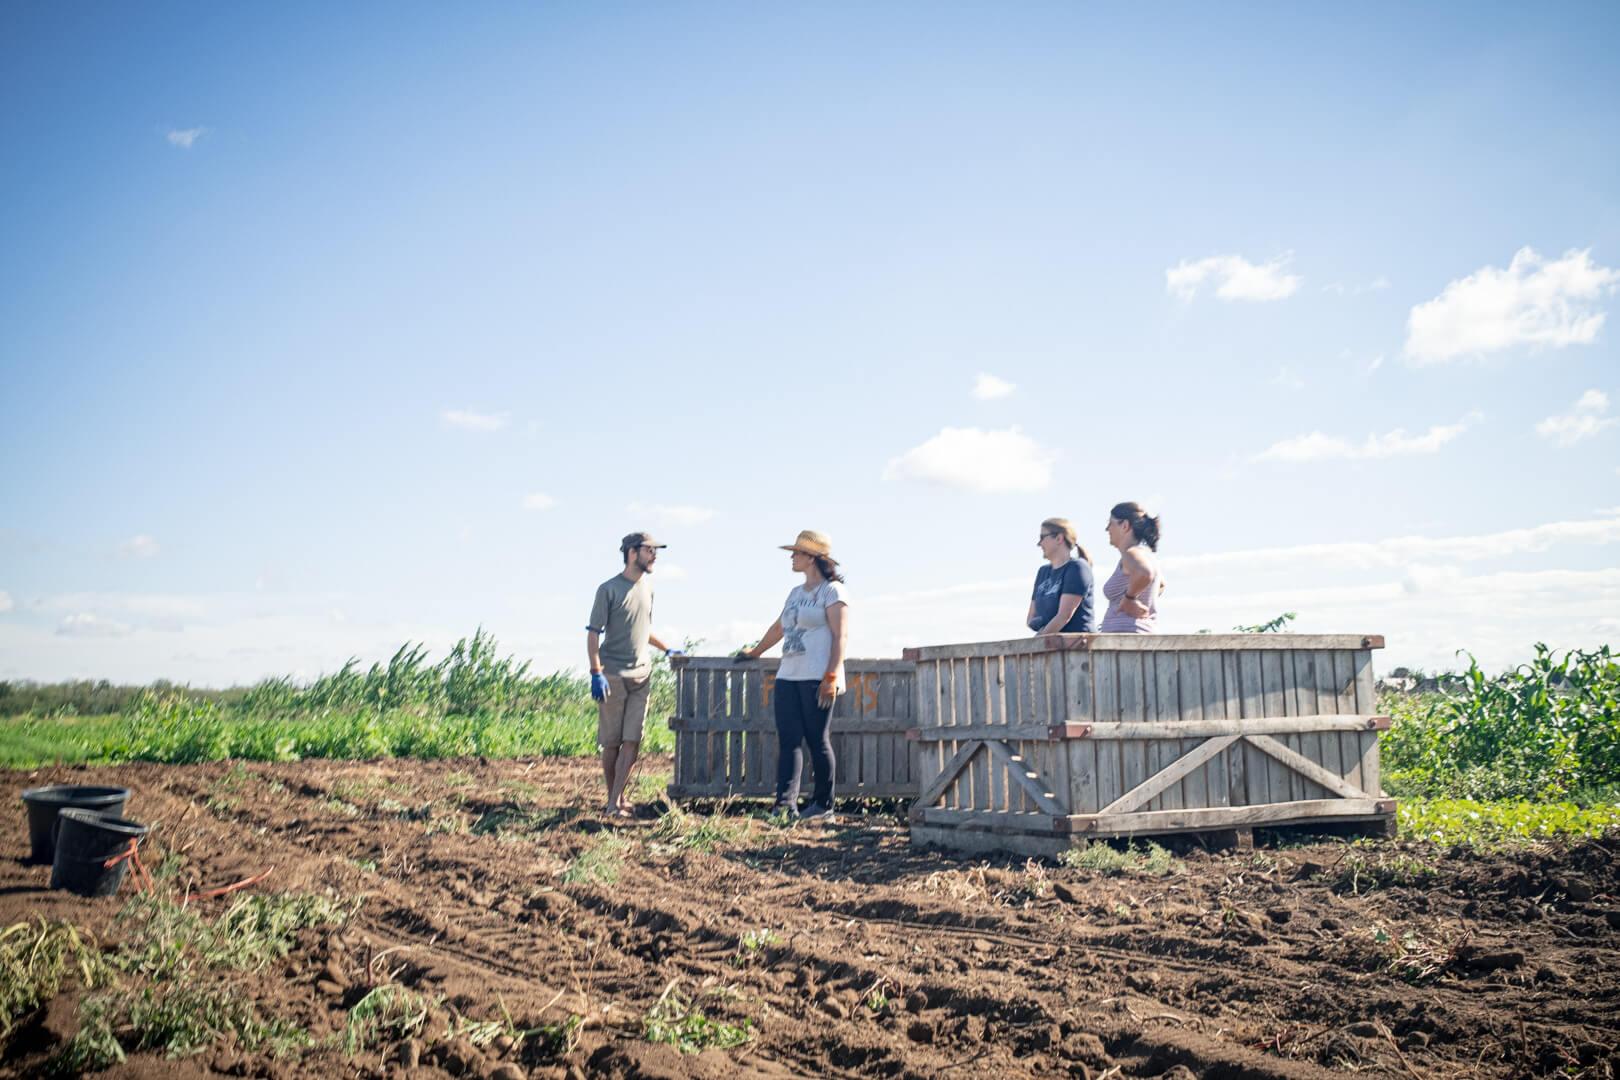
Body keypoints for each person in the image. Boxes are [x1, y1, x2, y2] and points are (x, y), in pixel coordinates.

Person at [734, 529, 848, 822]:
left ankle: (823, 805)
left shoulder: (833, 592)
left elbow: (840, 636)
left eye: (796, 553)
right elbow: (779, 628)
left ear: (811, 558)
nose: (792, 558)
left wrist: (831, 677)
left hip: (817, 677)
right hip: (788, 676)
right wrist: (755, 652)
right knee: (789, 741)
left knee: (817, 740)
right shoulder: (795, 594)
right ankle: (785, 805)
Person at [586, 531, 680, 818]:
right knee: (612, 742)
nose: (654, 556)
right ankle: (614, 800)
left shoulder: (648, 589)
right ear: (632, 552)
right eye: (650, 550)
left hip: (642, 675)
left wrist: (667, 649)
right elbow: (593, 633)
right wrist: (596, 671)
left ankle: (615, 801)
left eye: (655, 551)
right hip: (613, 675)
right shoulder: (608, 589)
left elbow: (643, 630)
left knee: (633, 739)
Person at [1027, 517, 1097, 635]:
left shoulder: (1077, 568)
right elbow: (1031, 618)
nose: (1039, 544)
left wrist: (1039, 641)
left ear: (1059, 538)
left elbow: (1064, 616)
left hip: (1077, 643)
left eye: (1042, 537)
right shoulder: (1043, 572)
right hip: (1051, 642)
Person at [1100, 502, 1162, 633]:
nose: (1107, 529)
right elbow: (1161, 584)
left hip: (1128, 639)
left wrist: (1130, 598)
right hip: (1137, 635)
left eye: (1110, 524)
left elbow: (1145, 573)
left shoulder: (1131, 553)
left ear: (1125, 525)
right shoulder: (1145, 554)